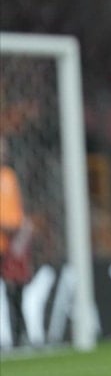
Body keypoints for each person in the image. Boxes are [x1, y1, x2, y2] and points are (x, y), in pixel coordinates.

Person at [0, 137, 34, 346]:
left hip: (11, 246)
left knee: (15, 290)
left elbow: (17, 209)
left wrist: (23, 227)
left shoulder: (9, 176)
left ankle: (19, 335)